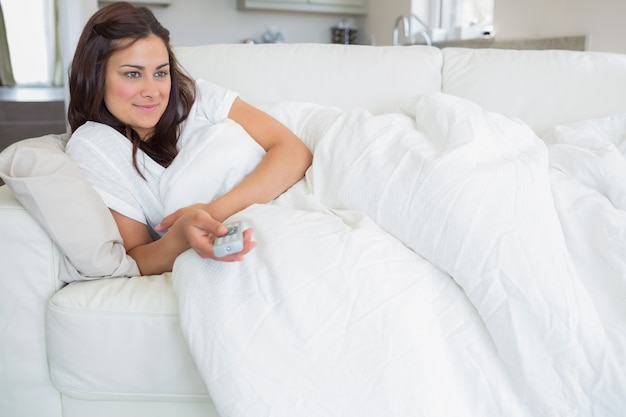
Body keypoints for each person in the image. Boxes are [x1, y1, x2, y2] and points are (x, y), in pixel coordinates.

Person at [65, 2, 312, 275]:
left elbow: (294, 152)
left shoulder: (195, 97)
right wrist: (182, 236)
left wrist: (213, 212)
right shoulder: (95, 147)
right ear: (95, 75)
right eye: (132, 74)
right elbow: (138, 257)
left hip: (296, 208)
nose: (152, 91)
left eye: (160, 73)